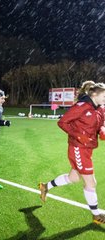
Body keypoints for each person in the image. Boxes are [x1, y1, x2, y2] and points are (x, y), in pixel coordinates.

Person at [39, 81, 105, 224]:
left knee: (74, 178)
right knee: (91, 182)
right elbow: (62, 122)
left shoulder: (101, 109)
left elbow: (100, 125)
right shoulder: (81, 107)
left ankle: (45, 186)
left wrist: (102, 130)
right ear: (94, 94)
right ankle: (96, 215)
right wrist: (77, 136)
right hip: (78, 147)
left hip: (88, 148)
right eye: (104, 96)